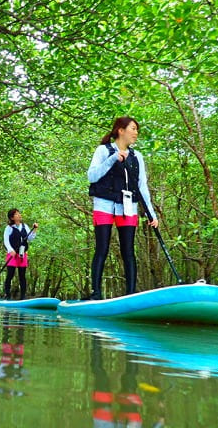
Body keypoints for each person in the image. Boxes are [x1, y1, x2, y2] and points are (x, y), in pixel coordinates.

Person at [87, 116, 158, 299]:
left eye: (137, 129)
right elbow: (92, 176)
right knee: (102, 248)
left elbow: (142, 186)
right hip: (104, 204)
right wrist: (112, 160)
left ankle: (131, 293)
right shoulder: (103, 150)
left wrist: (151, 213)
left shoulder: (137, 157)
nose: (136, 133)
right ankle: (96, 292)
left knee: (129, 250)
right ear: (120, 130)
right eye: (133, 128)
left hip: (128, 207)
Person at [3, 208, 38, 300]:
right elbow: (6, 240)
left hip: (22, 254)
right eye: (17, 214)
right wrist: (10, 250)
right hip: (12, 255)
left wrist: (34, 229)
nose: (19, 215)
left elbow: (30, 238)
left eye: (19, 213)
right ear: (12, 217)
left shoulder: (24, 226)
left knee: (22, 276)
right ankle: (7, 294)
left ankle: (23, 296)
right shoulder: (9, 228)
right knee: (10, 275)